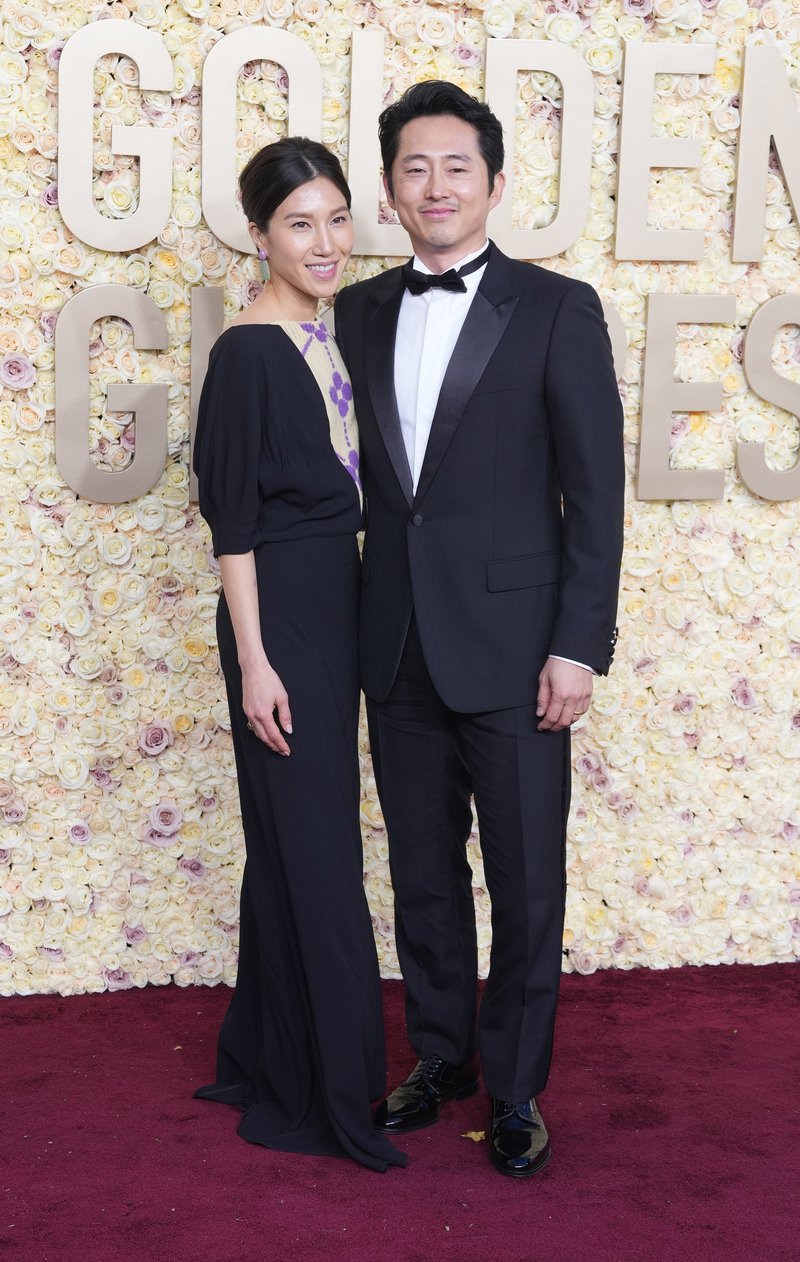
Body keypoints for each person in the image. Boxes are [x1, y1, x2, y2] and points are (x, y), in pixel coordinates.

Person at [333, 82, 624, 1177]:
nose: (436, 185)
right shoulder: (356, 312)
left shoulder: (557, 309)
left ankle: (516, 1086)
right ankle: (441, 1055)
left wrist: (576, 644)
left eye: (456, 166)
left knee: (524, 877)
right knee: (419, 870)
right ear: (390, 190)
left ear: (493, 183)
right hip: (395, 639)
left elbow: (595, 494)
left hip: (516, 652)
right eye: (414, 167)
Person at [192, 137, 406, 1173]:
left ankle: (267, 1050)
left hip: (338, 601)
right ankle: (331, 1096)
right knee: (317, 849)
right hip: (278, 616)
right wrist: (256, 661)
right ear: (258, 235)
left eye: (333, 219)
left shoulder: (336, 332)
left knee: (292, 838)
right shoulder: (245, 352)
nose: (323, 242)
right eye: (297, 224)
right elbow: (230, 523)